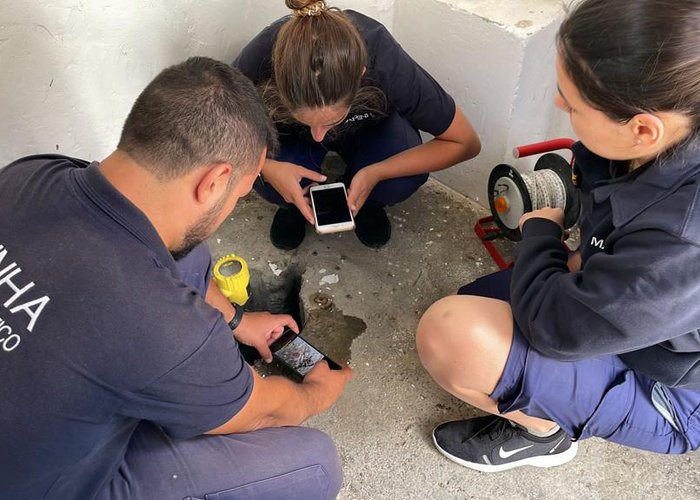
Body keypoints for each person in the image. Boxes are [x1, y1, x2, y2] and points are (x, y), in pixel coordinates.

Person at [0, 56, 352, 499]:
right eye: (240, 195)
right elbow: (263, 414)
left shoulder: (31, 174)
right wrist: (319, 389)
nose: (232, 208)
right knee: (314, 464)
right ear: (215, 181)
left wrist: (239, 322)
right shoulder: (164, 326)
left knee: (180, 246)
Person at [416, 0, 700, 473]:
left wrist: (541, 230)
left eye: (572, 103)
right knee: (479, 300)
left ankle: (543, 436)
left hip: (673, 391)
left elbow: (556, 330)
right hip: (635, 315)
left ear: (643, 129)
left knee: (452, 335)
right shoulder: (662, 131)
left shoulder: (683, 241)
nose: (557, 104)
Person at [233, 0, 481, 250]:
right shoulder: (263, 54)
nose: (319, 137)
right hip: (292, 136)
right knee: (262, 177)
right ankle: (291, 204)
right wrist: (266, 167)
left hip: (369, 126)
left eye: (332, 119)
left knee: (401, 179)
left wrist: (377, 172)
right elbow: (216, 135)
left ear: (361, 76)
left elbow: (465, 143)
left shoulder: (383, 57)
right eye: (305, 119)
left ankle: (368, 202)